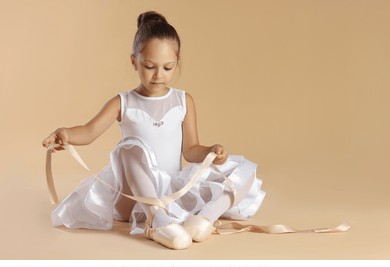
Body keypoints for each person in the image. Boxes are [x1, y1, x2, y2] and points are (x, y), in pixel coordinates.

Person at [42, 11, 265, 250]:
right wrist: (65, 134)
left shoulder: (183, 100)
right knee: (128, 148)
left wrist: (211, 151)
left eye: (168, 67)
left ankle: (203, 220)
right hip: (133, 198)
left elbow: (190, 150)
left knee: (245, 169)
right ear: (134, 61)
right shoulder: (123, 102)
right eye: (149, 66)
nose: (159, 75)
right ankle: (156, 221)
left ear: (177, 62)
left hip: (173, 192)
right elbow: (88, 131)